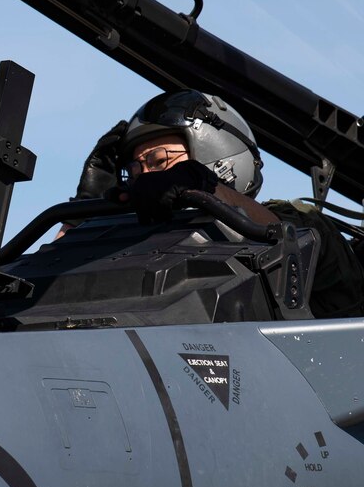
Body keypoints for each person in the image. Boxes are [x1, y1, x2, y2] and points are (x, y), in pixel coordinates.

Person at [68, 89, 364, 318]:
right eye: (135, 172)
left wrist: (204, 187)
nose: (144, 178)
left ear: (219, 158)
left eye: (159, 161)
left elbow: (281, 234)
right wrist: (85, 218)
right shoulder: (139, 249)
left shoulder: (304, 228)